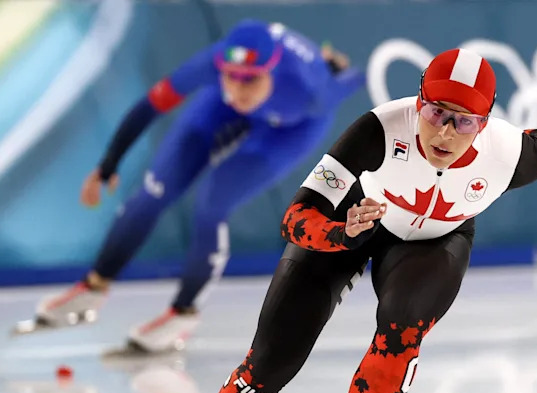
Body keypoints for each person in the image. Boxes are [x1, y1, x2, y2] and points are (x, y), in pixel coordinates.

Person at [118, 48, 537, 393]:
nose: (444, 132)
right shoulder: (378, 130)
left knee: (403, 327)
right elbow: (296, 216)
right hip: (353, 223)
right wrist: (340, 234)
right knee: (268, 362)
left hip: (435, 243)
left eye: (463, 122)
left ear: (484, 124)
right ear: (418, 104)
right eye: (437, 113)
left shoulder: (513, 154)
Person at [19, 20, 364, 354]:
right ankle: (94, 286)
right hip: (219, 108)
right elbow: (149, 106)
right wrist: (109, 164)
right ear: (221, 67)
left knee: (212, 205)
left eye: (250, 80)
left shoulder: (311, 86)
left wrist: (335, 68)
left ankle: (183, 314)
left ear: (272, 71)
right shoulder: (211, 66)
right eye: (232, 77)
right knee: (155, 188)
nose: (239, 89)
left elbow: (356, 78)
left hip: (288, 130)